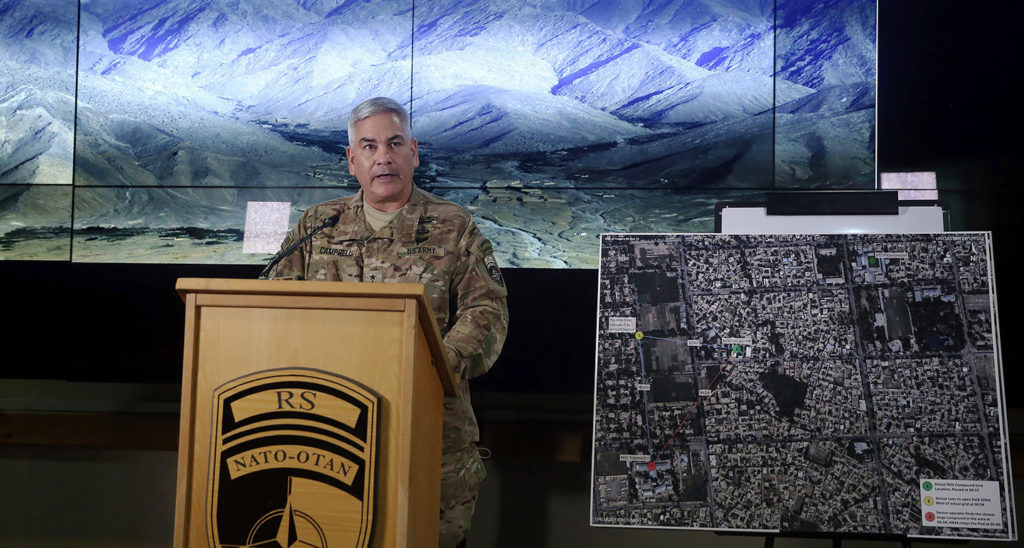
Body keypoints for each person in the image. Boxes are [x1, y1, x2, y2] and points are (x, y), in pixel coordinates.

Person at [268, 96, 509, 547]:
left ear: (413, 153)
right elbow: (275, 310)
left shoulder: (453, 226)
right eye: (370, 146)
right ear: (352, 160)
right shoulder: (317, 225)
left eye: (394, 143)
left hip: (428, 435)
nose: (383, 157)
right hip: (327, 434)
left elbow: (487, 311)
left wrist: (436, 364)